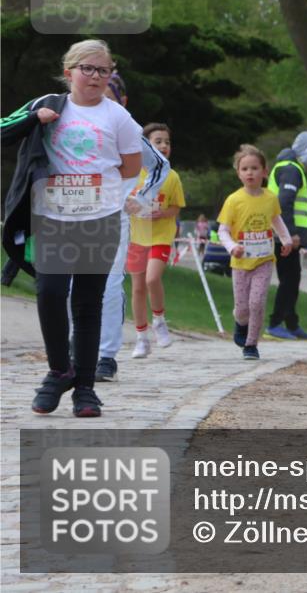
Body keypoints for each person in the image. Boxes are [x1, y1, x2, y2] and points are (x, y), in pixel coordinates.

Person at [2, 39, 143, 417]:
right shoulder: (48, 104)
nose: (96, 76)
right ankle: (58, 369)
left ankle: (84, 389)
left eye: (104, 70)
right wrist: (35, 119)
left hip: (99, 220)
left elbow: (131, 166)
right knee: (49, 292)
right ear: (69, 73)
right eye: (88, 68)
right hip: (52, 217)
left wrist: (95, 185)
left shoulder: (119, 118)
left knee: (86, 303)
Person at [94, 73, 171, 382]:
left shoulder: (125, 129)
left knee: (111, 284)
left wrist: (140, 197)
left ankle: (105, 356)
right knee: (72, 284)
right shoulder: (66, 119)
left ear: (121, 102)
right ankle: (75, 349)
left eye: (108, 96)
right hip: (73, 217)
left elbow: (159, 166)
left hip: (114, 215)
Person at [216, 145, 293, 360]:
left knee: (257, 302)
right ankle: (241, 323)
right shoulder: (233, 200)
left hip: (264, 260)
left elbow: (276, 220)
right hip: (240, 263)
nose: (250, 172)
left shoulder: (270, 198)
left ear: (264, 171)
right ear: (238, 173)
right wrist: (233, 247)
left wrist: (286, 240)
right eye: (245, 169)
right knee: (242, 309)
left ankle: (251, 344)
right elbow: (223, 230)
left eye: (254, 168)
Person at [127, 122, 185, 358]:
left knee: (152, 279)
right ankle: (141, 338)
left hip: (160, 235)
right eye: (157, 141)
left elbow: (175, 207)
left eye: (167, 142)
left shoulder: (171, 176)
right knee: (138, 287)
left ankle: (159, 319)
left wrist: (163, 213)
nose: (163, 146)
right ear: (145, 146)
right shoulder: (132, 173)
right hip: (136, 237)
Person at [266, 131, 307, 340]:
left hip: (284, 236)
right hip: (285, 237)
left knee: (292, 278)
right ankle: (275, 323)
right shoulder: (291, 169)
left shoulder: (286, 167)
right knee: (288, 280)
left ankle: (291, 323)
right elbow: (284, 202)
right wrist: (291, 234)